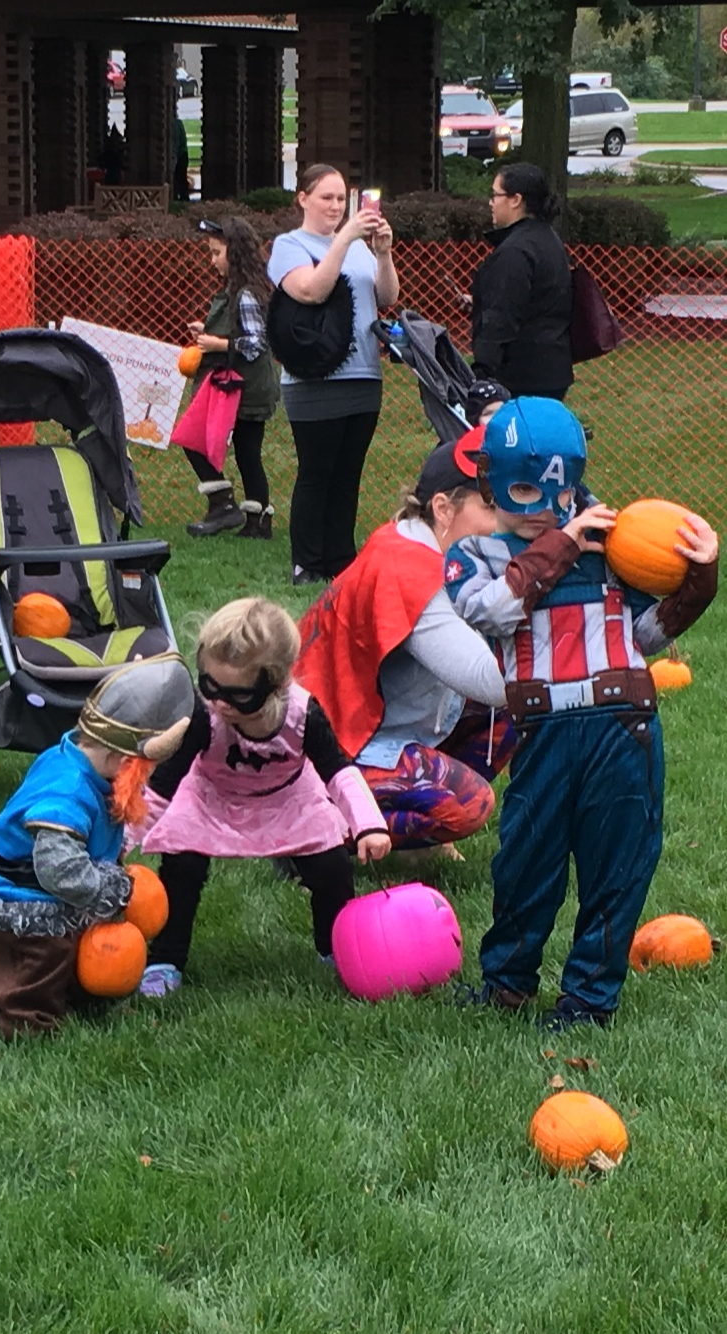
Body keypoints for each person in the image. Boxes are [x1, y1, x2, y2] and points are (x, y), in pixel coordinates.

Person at [444, 396, 719, 1030]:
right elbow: (484, 610)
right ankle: (508, 982)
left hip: (622, 730)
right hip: (543, 733)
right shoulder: (478, 553)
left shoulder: (616, 545)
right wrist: (560, 548)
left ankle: (589, 998)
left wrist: (699, 578)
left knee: (616, 863)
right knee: (524, 861)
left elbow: (646, 634)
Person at [129, 598, 391, 997]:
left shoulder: (303, 715)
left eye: (238, 697)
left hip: (288, 797)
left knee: (332, 869)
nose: (220, 703)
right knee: (181, 867)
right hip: (213, 795)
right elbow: (166, 781)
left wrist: (367, 825)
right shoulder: (204, 714)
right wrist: (124, 837)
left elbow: (339, 771)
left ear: (277, 685)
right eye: (209, 685)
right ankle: (166, 957)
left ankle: (334, 947)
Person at [296, 410, 514, 858]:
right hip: (331, 746)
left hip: (357, 724)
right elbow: (493, 683)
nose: (505, 521)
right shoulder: (411, 570)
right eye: (491, 506)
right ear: (442, 508)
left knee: (517, 712)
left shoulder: (413, 540)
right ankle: (313, 831)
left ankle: (405, 808)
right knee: (468, 805)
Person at [0, 654, 195, 1039]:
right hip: (16, 895)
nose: (146, 779)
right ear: (120, 758)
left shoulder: (82, 759)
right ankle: (27, 1019)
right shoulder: (70, 793)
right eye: (143, 770)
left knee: (87, 934)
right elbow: (57, 869)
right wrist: (114, 889)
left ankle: (80, 992)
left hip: (55, 885)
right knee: (47, 951)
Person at [266, 164, 400, 586]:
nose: (337, 206)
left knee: (347, 475)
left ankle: (341, 557)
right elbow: (311, 290)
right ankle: (306, 562)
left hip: (364, 376)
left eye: (342, 198)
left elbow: (386, 297)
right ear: (303, 198)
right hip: (314, 379)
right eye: (327, 197)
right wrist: (344, 238)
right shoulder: (289, 245)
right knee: (316, 472)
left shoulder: (359, 247)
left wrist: (382, 253)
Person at [183, 217, 279, 540]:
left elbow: (255, 344)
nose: (212, 260)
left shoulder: (247, 295)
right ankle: (245, 514)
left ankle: (240, 513)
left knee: (222, 445)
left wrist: (216, 344)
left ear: (234, 254)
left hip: (246, 387)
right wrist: (207, 331)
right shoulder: (234, 291)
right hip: (233, 386)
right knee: (241, 450)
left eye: (216, 253)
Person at [470, 163, 573, 401]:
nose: (490, 202)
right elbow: (538, 298)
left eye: (495, 195)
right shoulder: (548, 240)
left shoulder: (515, 251)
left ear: (515, 200)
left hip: (520, 378)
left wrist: (482, 374)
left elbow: (501, 317)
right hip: (552, 370)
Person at [172, 113, 190, 203]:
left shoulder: (174, 125)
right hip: (183, 154)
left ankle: (181, 198)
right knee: (181, 178)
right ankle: (183, 198)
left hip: (181, 155)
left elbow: (175, 143)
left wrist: (173, 160)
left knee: (180, 177)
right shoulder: (178, 123)